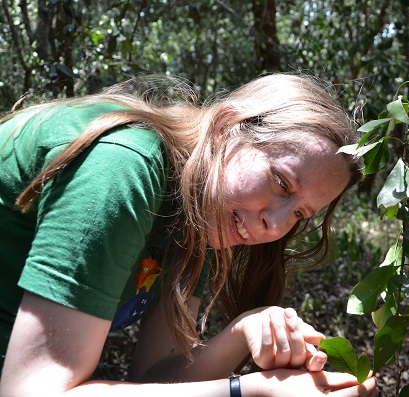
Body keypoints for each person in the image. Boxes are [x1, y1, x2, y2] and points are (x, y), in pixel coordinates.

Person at [0, 74, 379, 397]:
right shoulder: (122, 169)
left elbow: (154, 376)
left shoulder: (210, 214)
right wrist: (246, 390)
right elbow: (32, 390)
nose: (276, 226)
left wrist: (244, 330)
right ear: (227, 128)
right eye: (281, 182)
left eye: (299, 213)